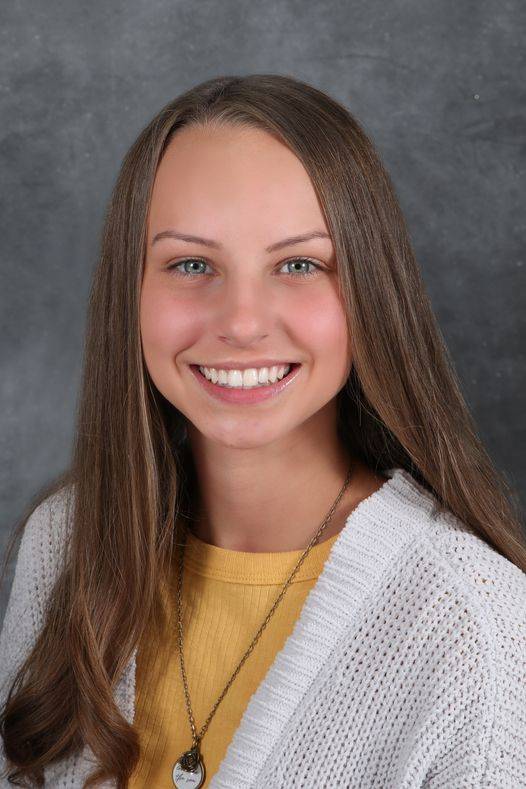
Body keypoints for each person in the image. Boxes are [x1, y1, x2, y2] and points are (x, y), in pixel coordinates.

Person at [0, 74, 525, 788]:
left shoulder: (477, 629)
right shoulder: (65, 545)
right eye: (191, 264)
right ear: (131, 290)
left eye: (299, 264)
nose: (242, 322)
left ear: (370, 292)